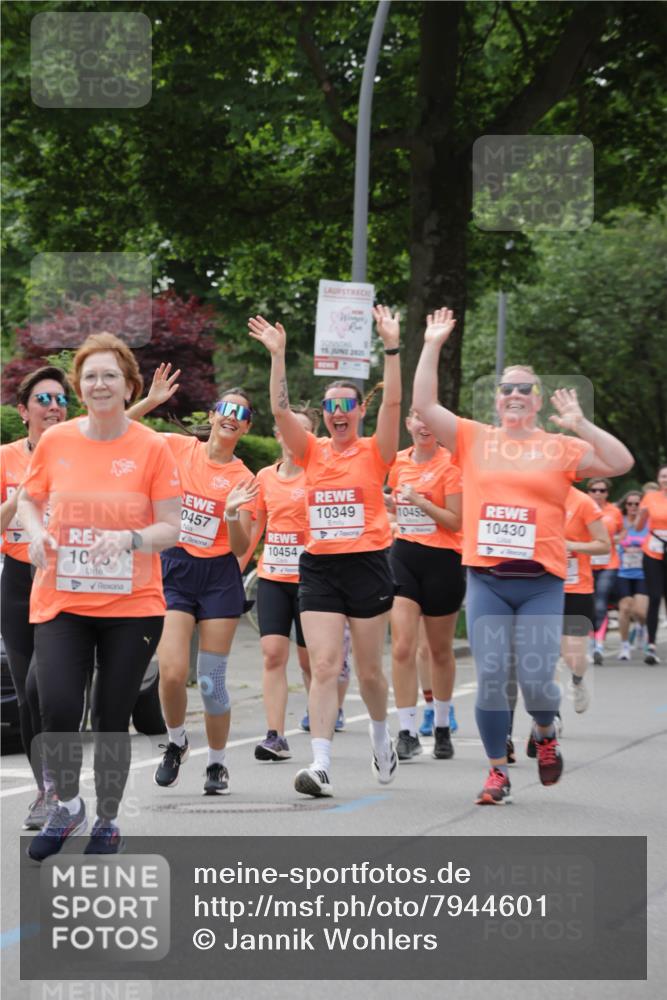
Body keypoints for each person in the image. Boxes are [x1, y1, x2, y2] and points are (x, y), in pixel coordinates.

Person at [413, 307, 633, 805]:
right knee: (491, 678)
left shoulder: (559, 446)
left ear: (536, 401)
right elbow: (424, 404)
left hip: (541, 582)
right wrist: (432, 343)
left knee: (535, 680)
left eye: (525, 389)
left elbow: (621, 462)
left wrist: (581, 424)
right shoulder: (474, 438)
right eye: (507, 388)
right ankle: (497, 771)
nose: (515, 394)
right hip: (488, 578)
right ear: (497, 400)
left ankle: (545, 731)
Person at [18, 333, 181, 859]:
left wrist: (131, 539)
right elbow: (28, 500)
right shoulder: (57, 441)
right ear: (79, 387)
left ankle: (107, 820)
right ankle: (67, 805)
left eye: (110, 375)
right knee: (57, 705)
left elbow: (172, 527)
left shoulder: (152, 447)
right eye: (90, 376)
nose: (100, 384)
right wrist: (36, 534)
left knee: (110, 718)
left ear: (129, 385)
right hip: (62, 599)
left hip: (132, 605)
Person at [248, 306, 401, 798]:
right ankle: (320, 765)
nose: (338, 412)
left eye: (346, 405)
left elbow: (394, 403)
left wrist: (391, 348)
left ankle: (381, 736)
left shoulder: (376, 451)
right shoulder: (311, 450)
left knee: (371, 673)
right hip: (318, 568)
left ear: (359, 412)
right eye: (331, 406)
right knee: (325, 665)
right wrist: (277, 355)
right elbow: (279, 412)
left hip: (368, 565)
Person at [129, 372, 258, 795]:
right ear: (213, 415)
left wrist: (231, 515)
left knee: (210, 682)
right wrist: (150, 401)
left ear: (246, 427)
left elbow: (241, 546)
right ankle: (177, 742)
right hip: (174, 569)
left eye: (241, 414)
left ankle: (217, 765)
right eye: (227, 408)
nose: (232, 416)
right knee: (171, 673)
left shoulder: (244, 478)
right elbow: (119, 431)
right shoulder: (177, 447)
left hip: (218, 576)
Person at [0, 365, 70, 829]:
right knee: (27, 698)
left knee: (42, 688)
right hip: (17, 581)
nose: (54, 407)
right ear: (23, 411)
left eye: (61, 399)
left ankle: (61, 785)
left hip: (62, 581)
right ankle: (46, 792)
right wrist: (24, 492)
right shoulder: (5, 457)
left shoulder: (77, 453)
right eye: (43, 399)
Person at [387, 407, 464, 761]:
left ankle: (443, 724)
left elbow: (455, 521)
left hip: (443, 561)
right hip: (404, 555)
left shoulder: (452, 464)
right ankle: (406, 731)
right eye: (418, 418)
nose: (424, 425)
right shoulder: (398, 461)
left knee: (439, 650)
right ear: (409, 424)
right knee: (402, 646)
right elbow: (396, 507)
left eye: (430, 420)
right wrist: (392, 506)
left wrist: (420, 501)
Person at [560, 486, 610, 713]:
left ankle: (577, 680)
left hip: (576, 588)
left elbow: (604, 544)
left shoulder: (582, 502)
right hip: (541, 586)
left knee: (574, 657)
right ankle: (548, 716)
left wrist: (571, 545)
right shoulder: (533, 496)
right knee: (542, 655)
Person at [586, 478, 623, 665]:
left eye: (602, 490)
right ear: (588, 492)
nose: (598, 493)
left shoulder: (614, 511)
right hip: (586, 563)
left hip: (609, 563)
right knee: (588, 604)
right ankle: (590, 641)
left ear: (607, 493)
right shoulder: (582, 508)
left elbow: (622, 531)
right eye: (594, 490)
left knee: (600, 603)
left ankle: (598, 645)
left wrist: (617, 539)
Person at [636, 465, 667, 664]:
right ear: (658, 479)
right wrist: (641, 515)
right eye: (663, 476)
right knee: (654, 597)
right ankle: (651, 645)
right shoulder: (650, 497)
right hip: (653, 551)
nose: (666, 479)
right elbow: (638, 527)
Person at [616, 490, 649, 660]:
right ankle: (624, 646)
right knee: (625, 609)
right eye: (630, 504)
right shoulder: (620, 521)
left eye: (637, 504)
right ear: (625, 505)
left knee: (640, 612)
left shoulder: (648, 524)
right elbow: (614, 540)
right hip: (623, 572)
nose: (634, 507)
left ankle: (641, 628)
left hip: (643, 573)